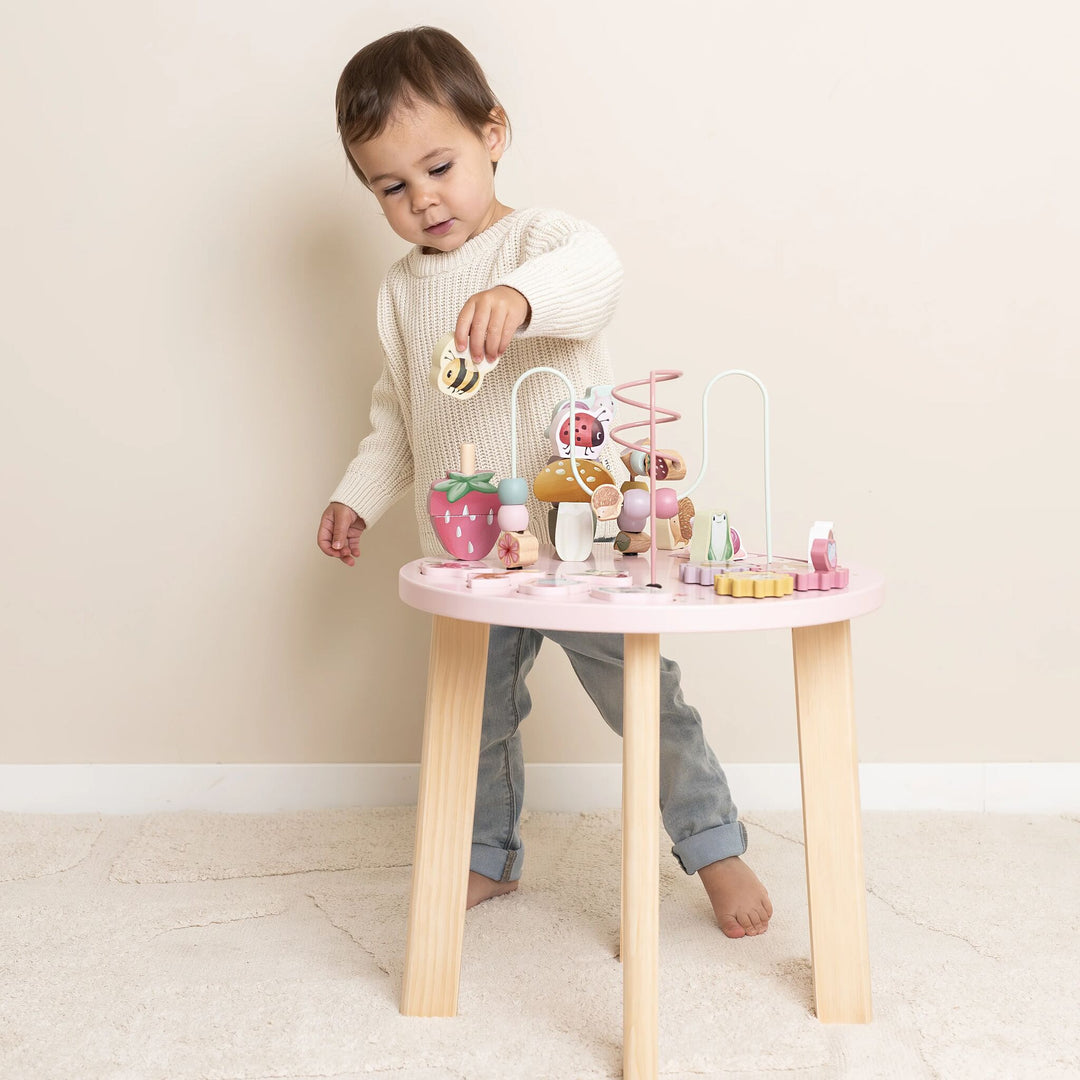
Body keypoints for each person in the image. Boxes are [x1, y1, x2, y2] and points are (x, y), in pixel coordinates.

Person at [317, 26, 772, 937]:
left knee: (645, 699)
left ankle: (716, 847)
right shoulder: (403, 291)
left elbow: (594, 278)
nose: (423, 200)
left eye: (439, 166)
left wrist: (520, 298)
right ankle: (486, 859)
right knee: (474, 717)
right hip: (475, 555)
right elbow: (399, 417)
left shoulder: (544, 241)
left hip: (584, 538)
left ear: (494, 132)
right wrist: (356, 495)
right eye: (392, 188)